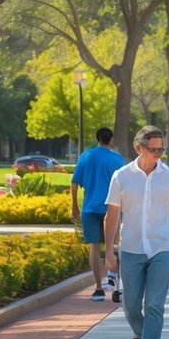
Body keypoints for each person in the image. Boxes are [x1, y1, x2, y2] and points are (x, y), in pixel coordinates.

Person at [104, 126, 169, 339]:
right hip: (130, 248)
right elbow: (111, 215)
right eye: (153, 150)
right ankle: (140, 335)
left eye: (161, 149)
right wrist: (109, 250)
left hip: (161, 248)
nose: (158, 155)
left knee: (154, 305)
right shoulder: (121, 176)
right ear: (139, 148)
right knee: (130, 305)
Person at [70, 127, 125, 302]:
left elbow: (74, 183)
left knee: (94, 246)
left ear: (97, 139)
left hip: (89, 208)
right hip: (112, 208)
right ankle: (114, 283)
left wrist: (74, 206)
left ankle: (99, 288)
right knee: (113, 244)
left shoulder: (86, 156)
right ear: (111, 139)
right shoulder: (117, 159)